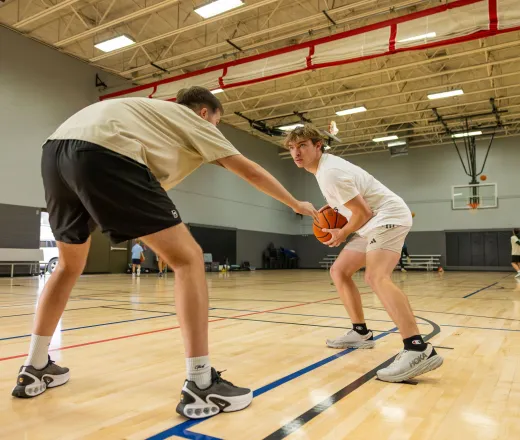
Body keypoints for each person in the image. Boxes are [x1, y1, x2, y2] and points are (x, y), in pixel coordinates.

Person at [12, 87, 318, 420]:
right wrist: (295, 204)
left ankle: (35, 366)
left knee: (68, 266)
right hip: (104, 152)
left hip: (55, 153)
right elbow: (251, 171)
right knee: (189, 259)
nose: (214, 130)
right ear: (204, 114)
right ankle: (201, 384)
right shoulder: (192, 121)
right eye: (216, 123)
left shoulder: (150, 117)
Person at [286, 125, 443, 383]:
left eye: (302, 145)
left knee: (376, 277)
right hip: (373, 223)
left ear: (318, 145)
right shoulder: (324, 169)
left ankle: (417, 348)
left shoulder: (330, 173)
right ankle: (360, 333)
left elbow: (364, 212)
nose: (296, 153)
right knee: (339, 271)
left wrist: (342, 233)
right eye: (292, 148)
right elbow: (356, 206)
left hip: (386, 217)